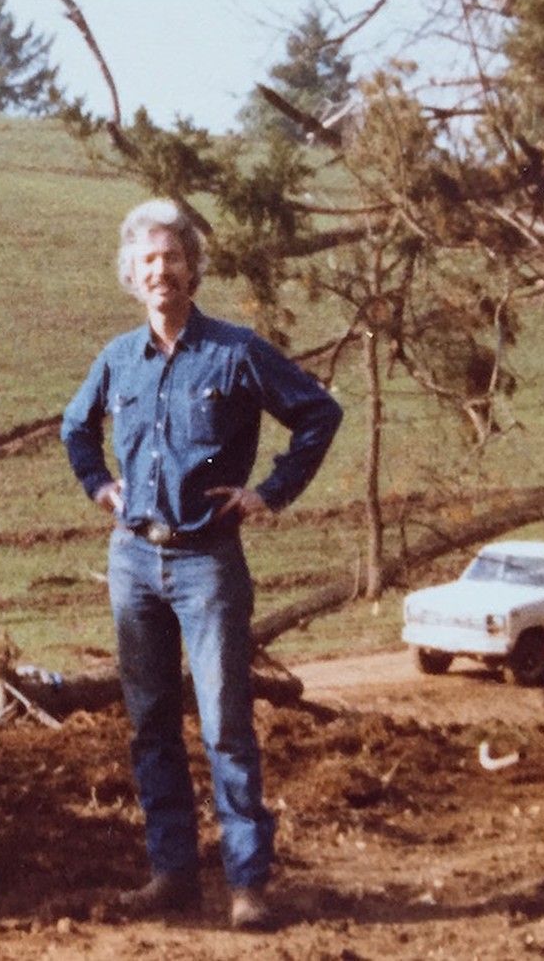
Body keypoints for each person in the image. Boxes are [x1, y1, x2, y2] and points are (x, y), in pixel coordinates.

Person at [60, 199, 342, 930]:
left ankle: (248, 882)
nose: (162, 271)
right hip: (134, 560)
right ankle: (172, 874)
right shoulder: (118, 358)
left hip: (209, 562)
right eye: (148, 261)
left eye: (173, 258)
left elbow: (318, 413)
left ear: (192, 267)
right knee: (150, 724)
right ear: (132, 274)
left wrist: (270, 492)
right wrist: (99, 485)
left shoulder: (237, 351)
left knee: (224, 723)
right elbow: (75, 428)